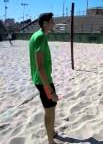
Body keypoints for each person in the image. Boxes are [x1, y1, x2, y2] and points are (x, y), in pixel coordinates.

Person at [29, 12, 59, 144]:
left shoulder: (36, 35)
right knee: (50, 110)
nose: (54, 23)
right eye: (52, 22)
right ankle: (50, 141)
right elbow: (40, 66)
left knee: (51, 107)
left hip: (41, 79)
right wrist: (50, 91)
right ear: (45, 24)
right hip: (43, 80)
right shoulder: (40, 37)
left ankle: (52, 132)